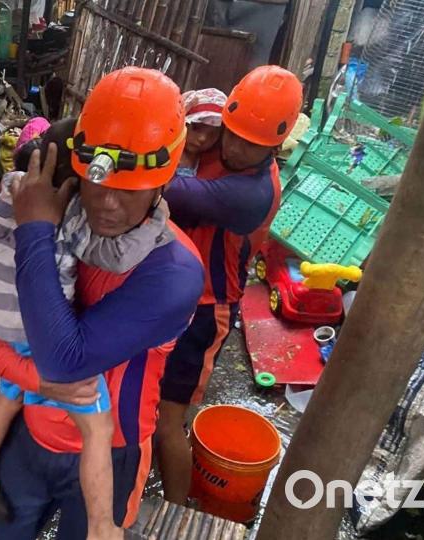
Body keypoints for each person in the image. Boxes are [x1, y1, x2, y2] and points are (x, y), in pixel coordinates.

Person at [0, 67, 204, 539]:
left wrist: (34, 229)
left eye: (130, 188)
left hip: (110, 451)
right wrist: (27, 378)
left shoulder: (172, 273)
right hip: (32, 430)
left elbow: (63, 362)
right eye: (98, 181)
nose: (108, 204)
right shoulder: (62, 225)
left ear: (164, 179)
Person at [156, 65, 303, 504]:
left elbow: (170, 192)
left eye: (250, 144)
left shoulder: (252, 193)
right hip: (166, 289)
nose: (235, 147)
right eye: (232, 133)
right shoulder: (220, 135)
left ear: (275, 145)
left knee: (168, 422)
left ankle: (176, 511)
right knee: (141, 397)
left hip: (206, 309)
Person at [175, 88, 227, 176]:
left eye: (212, 134)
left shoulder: (211, 162)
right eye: (196, 128)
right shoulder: (165, 150)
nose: (202, 138)